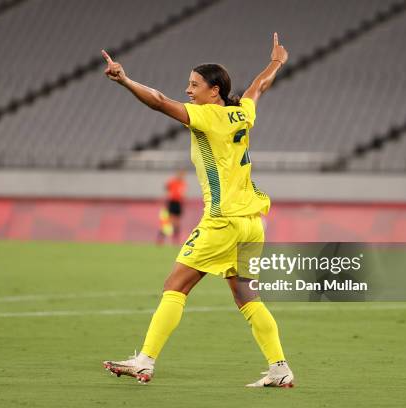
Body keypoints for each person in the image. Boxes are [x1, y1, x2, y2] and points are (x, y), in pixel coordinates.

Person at [101, 33, 293, 388]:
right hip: (252, 224)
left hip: (223, 222)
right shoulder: (240, 114)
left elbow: (159, 102)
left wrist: (125, 80)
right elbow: (257, 87)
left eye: (194, 85)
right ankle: (279, 367)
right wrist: (277, 61)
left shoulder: (208, 117)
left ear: (213, 91)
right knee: (246, 295)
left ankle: (144, 361)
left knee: (175, 285)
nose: (188, 91)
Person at [157, 170, 187, 244]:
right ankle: (161, 239)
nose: (181, 176)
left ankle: (175, 240)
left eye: (183, 175)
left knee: (177, 223)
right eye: (180, 174)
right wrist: (169, 194)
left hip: (179, 203)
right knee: (169, 222)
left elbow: (182, 194)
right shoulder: (172, 182)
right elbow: (166, 187)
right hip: (172, 202)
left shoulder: (183, 183)